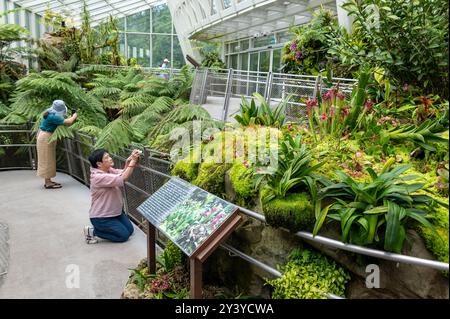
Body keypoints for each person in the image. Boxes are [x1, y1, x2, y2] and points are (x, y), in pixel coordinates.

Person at [83, 148, 141, 244]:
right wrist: (133, 161)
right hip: (102, 217)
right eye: (107, 157)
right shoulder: (98, 177)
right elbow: (123, 178)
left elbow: (122, 173)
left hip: (115, 213)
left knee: (130, 231)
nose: (110, 158)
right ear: (99, 164)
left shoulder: (108, 170)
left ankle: (105, 228)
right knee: (123, 236)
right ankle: (93, 231)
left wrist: (128, 162)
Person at [36, 100, 77, 189]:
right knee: (47, 159)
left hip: (45, 136)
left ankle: (48, 181)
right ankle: (48, 183)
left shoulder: (49, 112)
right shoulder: (52, 117)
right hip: (46, 138)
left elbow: (63, 120)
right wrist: (74, 116)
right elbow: (68, 122)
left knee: (48, 159)